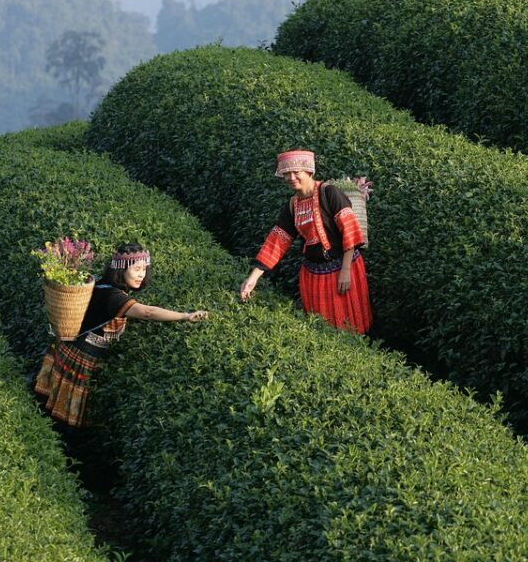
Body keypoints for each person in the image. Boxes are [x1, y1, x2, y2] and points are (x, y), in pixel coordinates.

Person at [35, 242, 208, 428]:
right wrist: (185, 316)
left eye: (144, 269)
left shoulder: (104, 283)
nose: (141, 274)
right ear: (121, 270)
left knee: (51, 405)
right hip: (83, 353)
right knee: (64, 416)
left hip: (73, 347)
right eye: (136, 269)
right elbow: (147, 312)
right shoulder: (114, 297)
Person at [240, 149, 372, 334]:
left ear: (309, 171)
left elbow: (350, 230)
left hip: (344, 268)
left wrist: (345, 270)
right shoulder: (292, 204)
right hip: (314, 275)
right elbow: (277, 241)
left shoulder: (329, 192)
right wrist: (252, 278)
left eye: (296, 172)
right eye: (287, 173)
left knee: (350, 328)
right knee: (322, 330)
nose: (291, 177)